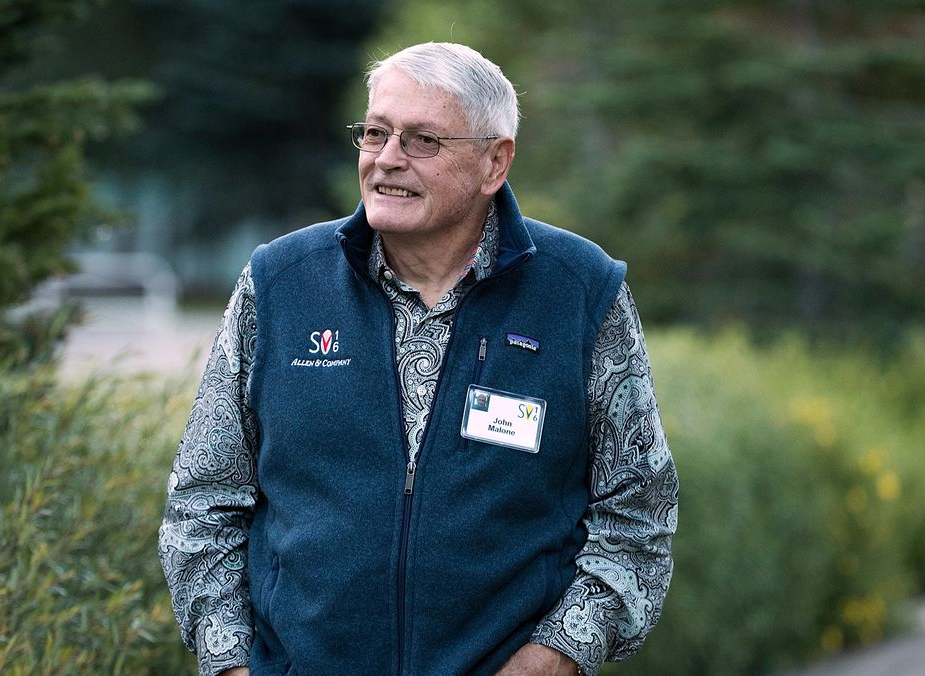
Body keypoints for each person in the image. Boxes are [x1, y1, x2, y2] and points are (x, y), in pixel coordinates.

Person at [158, 42, 678, 676]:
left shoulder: (579, 290)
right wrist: (231, 664)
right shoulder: (279, 284)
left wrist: (559, 656)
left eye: (422, 141)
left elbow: (638, 513)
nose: (386, 160)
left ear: (494, 163)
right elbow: (202, 503)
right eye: (375, 133)